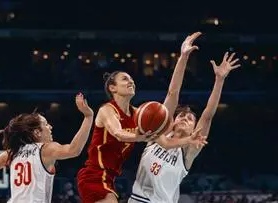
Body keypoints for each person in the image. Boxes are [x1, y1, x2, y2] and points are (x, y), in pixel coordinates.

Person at [77, 32, 207, 203]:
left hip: (110, 179)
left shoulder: (139, 116)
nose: (131, 82)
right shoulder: (108, 110)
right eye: (125, 79)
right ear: (112, 88)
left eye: (132, 79)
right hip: (95, 175)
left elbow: (172, 96)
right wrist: (141, 136)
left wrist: (183, 56)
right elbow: (118, 133)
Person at [128, 52, 241, 203]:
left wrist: (219, 80)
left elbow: (207, 116)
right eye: (181, 116)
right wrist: (183, 57)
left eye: (190, 119)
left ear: (194, 129)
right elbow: (172, 93)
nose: (185, 118)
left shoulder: (188, 150)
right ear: (172, 122)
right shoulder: (159, 136)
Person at [0, 93, 94, 203]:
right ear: (37, 132)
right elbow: (74, 150)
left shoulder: (12, 153)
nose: (50, 127)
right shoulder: (46, 150)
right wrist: (88, 117)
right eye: (46, 124)